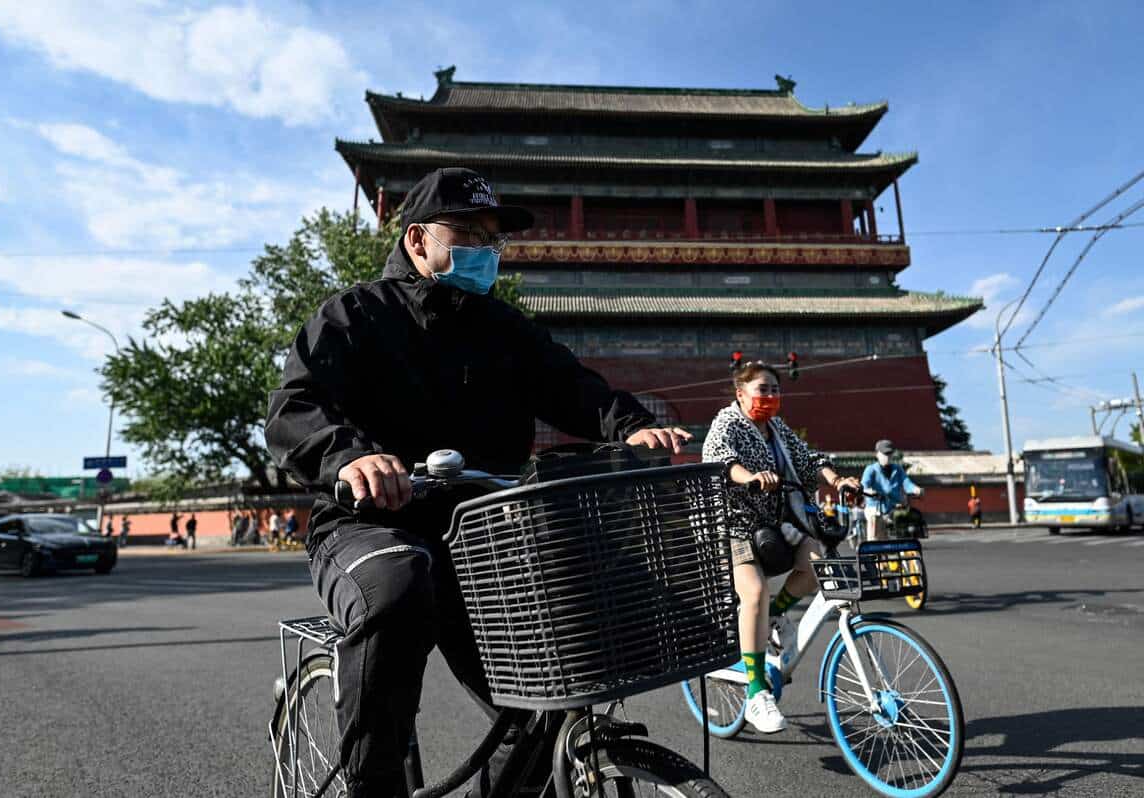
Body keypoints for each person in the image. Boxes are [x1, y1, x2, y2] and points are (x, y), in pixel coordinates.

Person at [265, 167, 689, 797]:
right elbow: (292, 408)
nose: (485, 250)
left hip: (485, 534)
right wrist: (350, 458)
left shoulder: (506, 330)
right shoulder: (353, 316)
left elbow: (575, 389)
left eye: (493, 239)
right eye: (468, 233)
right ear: (417, 241)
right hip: (369, 525)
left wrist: (631, 427)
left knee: (546, 695)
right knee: (401, 584)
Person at [702, 360, 859, 734]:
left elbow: (809, 462)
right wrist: (751, 477)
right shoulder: (726, 423)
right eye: (762, 389)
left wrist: (837, 480)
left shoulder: (776, 429)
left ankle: (774, 616)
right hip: (732, 525)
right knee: (754, 592)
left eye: (775, 388)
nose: (770, 395)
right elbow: (721, 462)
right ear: (741, 394)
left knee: (816, 565)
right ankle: (757, 693)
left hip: (775, 525)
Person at [861, 440, 923, 541]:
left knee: (907, 519)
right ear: (877, 454)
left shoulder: (897, 469)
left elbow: (907, 483)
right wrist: (869, 491)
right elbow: (863, 486)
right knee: (874, 520)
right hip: (875, 507)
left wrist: (916, 489)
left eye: (890, 453)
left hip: (893, 507)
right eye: (885, 453)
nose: (887, 456)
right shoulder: (871, 469)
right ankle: (872, 547)